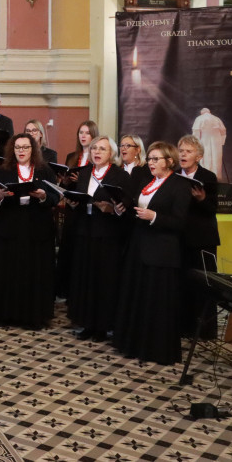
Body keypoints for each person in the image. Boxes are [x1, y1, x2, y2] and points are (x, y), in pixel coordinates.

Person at [114, 141, 191, 365]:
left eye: (156, 159)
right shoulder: (149, 182)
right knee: (137, 297)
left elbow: (180, 222)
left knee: (155, 302)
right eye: (149, 159)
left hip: (162, 254)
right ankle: (134, 344)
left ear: (170, 161)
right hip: (139, 247)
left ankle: (155, 349)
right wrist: (123, 210)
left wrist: (154, 217)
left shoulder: (179, 185)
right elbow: (138, 211)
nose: (151, 163)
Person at [65, 136, 132, 342]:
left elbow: (126, 207)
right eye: (94, 148)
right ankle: (87, 323)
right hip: (84, 231)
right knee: (85, 278)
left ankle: (102, 326)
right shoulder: (84, 173)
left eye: (102, 149)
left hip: (108, 234)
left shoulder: (120, 176)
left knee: (104, 280)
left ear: (111, 153)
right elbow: (77, 197)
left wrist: (112, 210)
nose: (97, 152)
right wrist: (73, 203)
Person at [0, 134, 57, 329]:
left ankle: (34, 316)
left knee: (34, 272)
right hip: (10, 228)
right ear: (12, 150)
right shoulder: (3, 171)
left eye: (25, 147)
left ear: (33, 149)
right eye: (17, 147)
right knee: (9, 272)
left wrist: (43, 196)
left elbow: (55, 197)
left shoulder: (45, 171)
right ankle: (6, 314)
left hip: (36, 229)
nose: (21, 151)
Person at [178, 134, 220, 339]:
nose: (183, 154)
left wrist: (202, 199)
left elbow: (213, 208)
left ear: (199, 156)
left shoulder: (208, 177)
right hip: (180, 238)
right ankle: (183, 325)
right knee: (182, 283)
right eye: (181, 151)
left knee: (203, 284)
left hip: (202, 240)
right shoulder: (175, 176)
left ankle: (205, 330)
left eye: (188, 151)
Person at [56, 120, 100, 300]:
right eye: (80, 132)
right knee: (68, 245)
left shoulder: (97, 157)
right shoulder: (72, 156)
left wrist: (82, 178)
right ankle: (65, 289)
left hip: (88, 207)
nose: (83, 136)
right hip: (72, 206)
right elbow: (65, 183)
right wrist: (65, 181)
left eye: (87, 133)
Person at [192, 108, 227, 180]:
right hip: (216, 142)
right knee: (216, 160)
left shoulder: (199, 119)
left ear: (202, 113)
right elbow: (223, 131)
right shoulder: (217, 119)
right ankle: (216, 179)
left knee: (205, 159)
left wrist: (196, 144)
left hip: (204, 140)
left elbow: (196, 133)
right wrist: (222, 142)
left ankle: (206, 179)